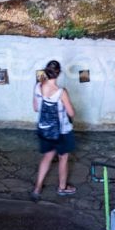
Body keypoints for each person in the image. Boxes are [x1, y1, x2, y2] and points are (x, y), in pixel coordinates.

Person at [31, 60, 76, 201]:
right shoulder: (61, 92)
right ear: (59, 73)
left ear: (46, 71)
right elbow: (71, 113)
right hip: (62, 131)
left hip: (44, 129)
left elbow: (36, 108)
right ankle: (62, 188)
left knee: (48, 156)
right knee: (63, 158)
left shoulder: (38, 86)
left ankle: (37, 188)